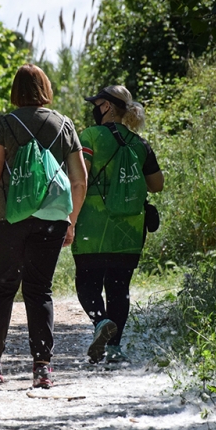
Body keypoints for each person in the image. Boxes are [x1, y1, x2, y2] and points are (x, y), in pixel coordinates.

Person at [0, 64, 87, 388]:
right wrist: (71, 221)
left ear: (16, 91)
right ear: (45, 88)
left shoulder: (6, 123)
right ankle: (42, 368)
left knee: (4, 285)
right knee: (39, 289)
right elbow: (79, 181)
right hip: (52, 218)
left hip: (8, 217)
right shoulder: (64, 125)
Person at [73, 85, 164, 364]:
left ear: (107, 106)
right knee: (118, 287)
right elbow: (157, 184)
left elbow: (81, 178)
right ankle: (115, 349)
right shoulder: (139, 143)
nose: (94, 108)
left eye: (97, 103)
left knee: (87, 283)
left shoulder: (89, 136)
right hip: (130, 231)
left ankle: (100, 322)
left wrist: (69, 218)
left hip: (92, 228)